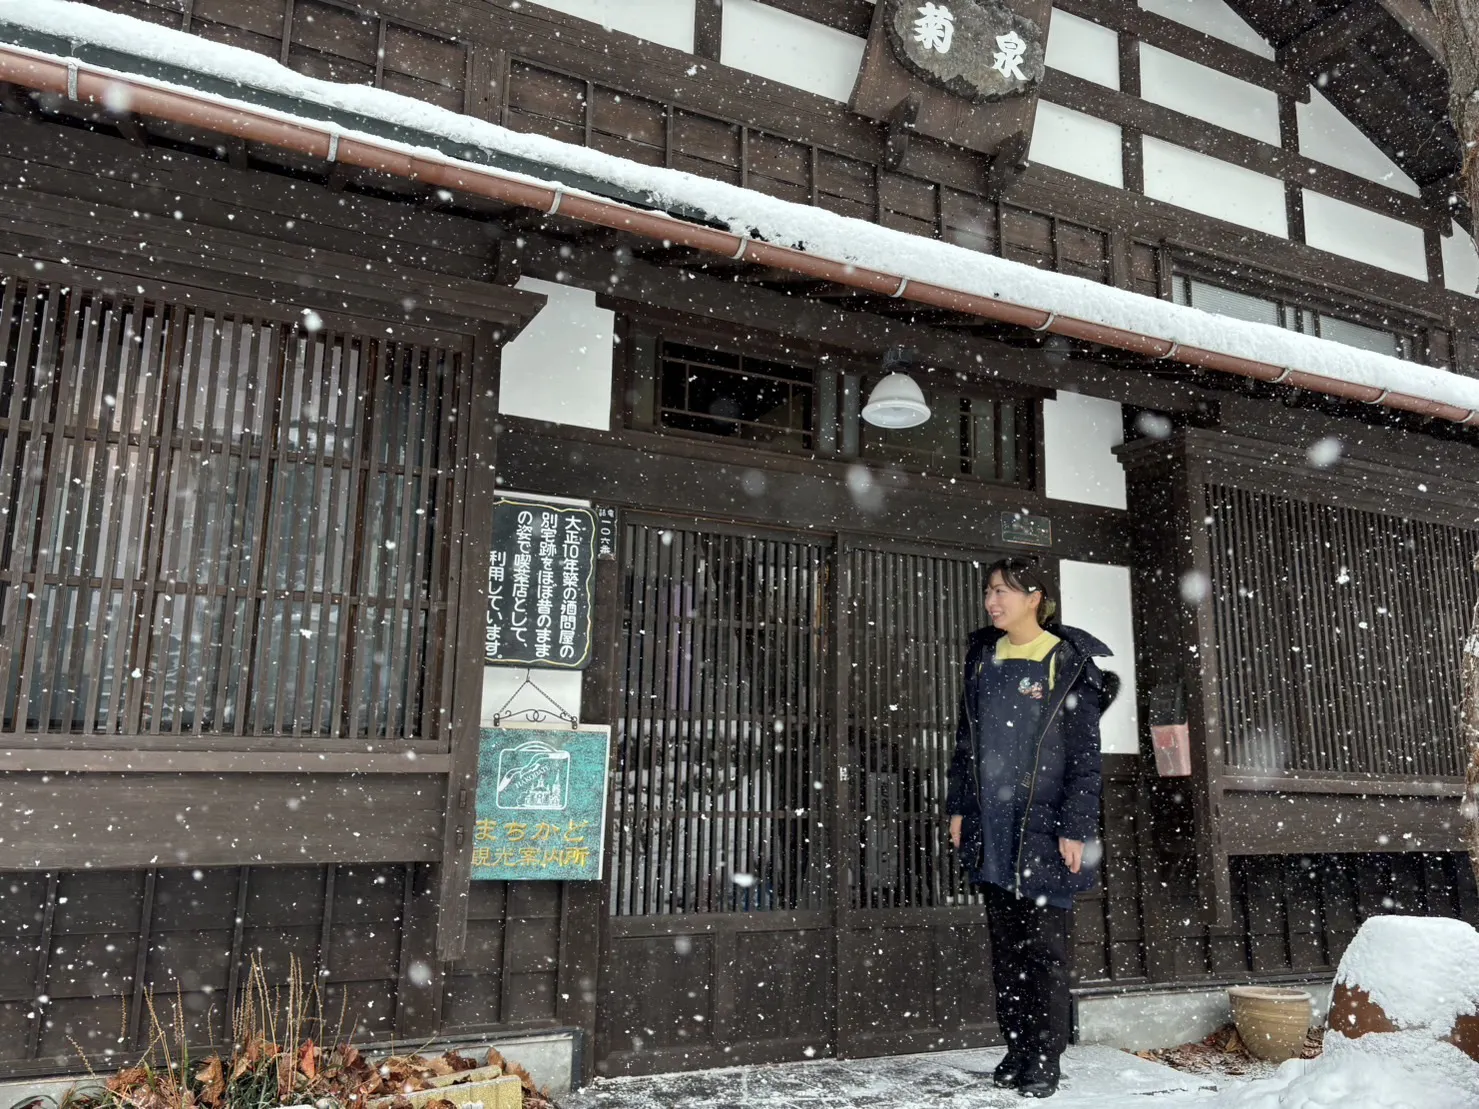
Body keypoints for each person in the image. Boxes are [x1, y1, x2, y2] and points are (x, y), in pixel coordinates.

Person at [946, 557, 1118, 1099]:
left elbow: (1085, 759)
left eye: (1003, 591)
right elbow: (966, 744)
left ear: (1034, 597)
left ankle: (1045, 1057)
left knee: (1044, 950)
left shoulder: (1067, 662)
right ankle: (1017, 1047)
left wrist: (1075, 826)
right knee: (1007, 949)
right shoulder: (983, 657)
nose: (991, 601)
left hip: (1043, 827)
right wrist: (959, 807)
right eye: (989, 591)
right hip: (993, 825)